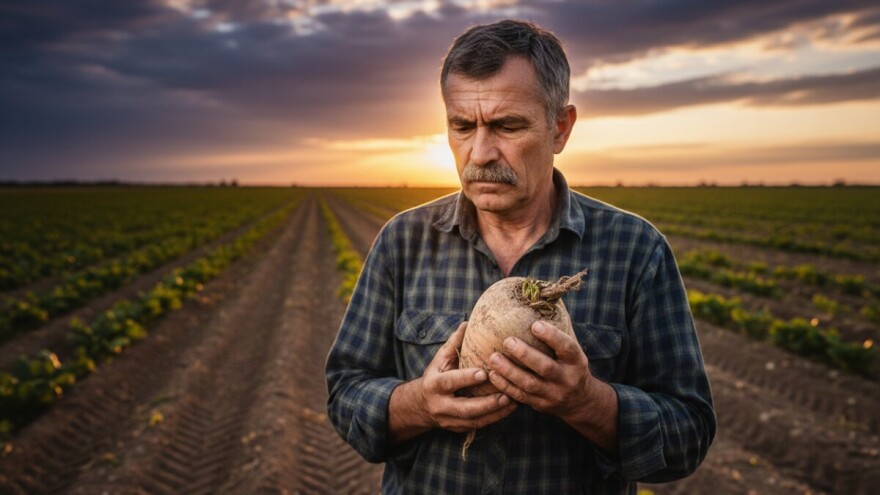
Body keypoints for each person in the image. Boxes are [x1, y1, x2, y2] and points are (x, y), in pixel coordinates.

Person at [325, 19, 715, 494]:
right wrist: (420, 405)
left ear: (560, 128)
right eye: (462, 126)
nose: (480, 153)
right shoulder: (402, 241)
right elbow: (345, 393)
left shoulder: (635, 249)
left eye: (507, 126)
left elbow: (688, 434)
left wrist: (587, 403)